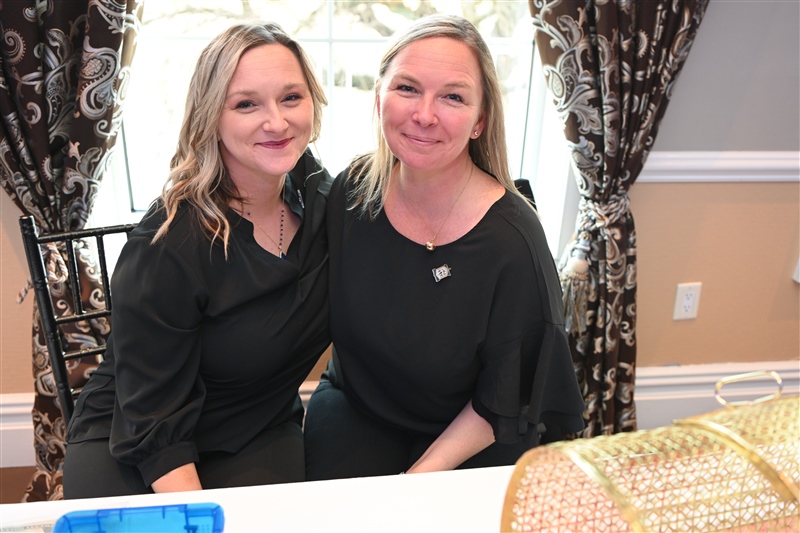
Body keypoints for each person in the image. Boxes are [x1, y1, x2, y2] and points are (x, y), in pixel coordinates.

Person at [304, 14, 585, 480]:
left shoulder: (514, 242)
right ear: (379, 99)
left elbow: (505, 395)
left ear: (480, 121)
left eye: (453, 96)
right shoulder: (351, 193)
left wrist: (418, 479)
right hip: (359, 408)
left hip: (476, 427)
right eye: (407, 88)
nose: (424, 114)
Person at [63, 22, 332, 498]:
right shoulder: (169, 243)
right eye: (246, 104)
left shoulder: (325, 202)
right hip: (137, 440)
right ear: (211, 117)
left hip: (256, 426)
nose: (276, 122)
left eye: (291, 97)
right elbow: (153, 418)